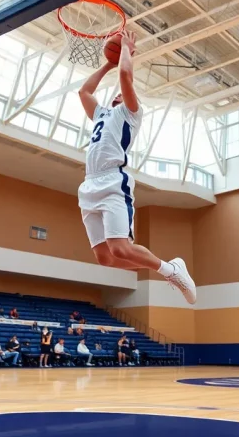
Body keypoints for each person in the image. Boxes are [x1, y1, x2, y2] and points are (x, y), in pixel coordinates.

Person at [77, 30, 196, 304]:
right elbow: (84, 91)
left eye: (124, 93)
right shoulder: (101, 114)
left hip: (112, 181)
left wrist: (125, 50)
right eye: (117, 94)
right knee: (105, 257)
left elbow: (125, 76)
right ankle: (168, 268)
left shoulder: (131, 113)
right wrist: (107, 63)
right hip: (89, 183)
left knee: (120, 248)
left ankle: (171, 270)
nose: (119, 94)